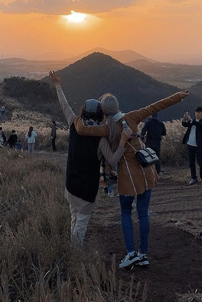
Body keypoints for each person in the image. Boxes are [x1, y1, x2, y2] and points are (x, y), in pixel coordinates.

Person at [58, 73, 189, 269]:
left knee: (126, 213)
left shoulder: (105, 129)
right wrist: (177, 96)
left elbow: (82, 130)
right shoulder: (132, 117)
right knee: (143, 214)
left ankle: (130, 254)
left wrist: (77, 119)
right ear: (117, 106)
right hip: (147, 172)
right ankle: (143, 254)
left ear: (104, 111)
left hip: (128, 178)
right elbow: (155, 106)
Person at [49, 71, 130, 246]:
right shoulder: (100, 139)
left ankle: (73, 248)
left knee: (74, 219)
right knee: (82, 223)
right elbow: (114, 159)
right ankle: (75, 252)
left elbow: (65, 106)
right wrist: (123, 141)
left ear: (84, 112)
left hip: (70, 184)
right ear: (100, 116)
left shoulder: (74, 124)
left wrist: (58, 85)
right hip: (86, 190)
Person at [182, 107, 202, 185]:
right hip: (190, 144)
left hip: (199, 146)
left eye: (199, 113)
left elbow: (200, 125)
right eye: (196, 112)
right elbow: (184, 124)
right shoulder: (192, 121)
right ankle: (193, 178)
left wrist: (191, 119)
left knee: (201, 162)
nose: (197, 114)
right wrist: (184, 119)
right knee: (191, 163)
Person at [141, 112, 166, 177]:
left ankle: (149, 172)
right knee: (157, 157)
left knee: (148, 157)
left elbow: (143, 132)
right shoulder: (161, 124)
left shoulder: (148, 122)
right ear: (157, 116)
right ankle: (159, 172)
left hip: (149, 142)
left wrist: (142, 138)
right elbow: (164, 133)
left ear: (151, 116)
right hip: (157, 142)